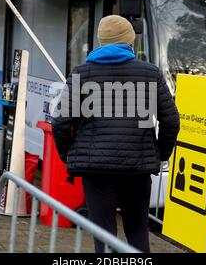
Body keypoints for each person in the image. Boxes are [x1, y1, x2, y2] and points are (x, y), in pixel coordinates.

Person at [52, 15, 180, 253]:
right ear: (130, 42)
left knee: (103, 232)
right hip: (137, 167)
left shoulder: (81, 73)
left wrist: (67, 153)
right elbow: (171, 120)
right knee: (138, 230)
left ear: (101, 42)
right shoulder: (150, 73)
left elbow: (60, 122)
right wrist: (160, 153)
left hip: (96, 169)